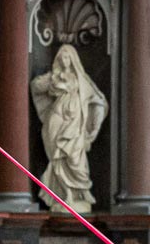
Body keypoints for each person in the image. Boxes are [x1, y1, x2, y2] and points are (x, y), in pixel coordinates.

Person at [30, 43, 108, 210]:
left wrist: (94, 127)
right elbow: (35, 86)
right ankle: (65, 195)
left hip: (75, 125)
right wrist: (52, 80)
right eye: (62, 57)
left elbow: (98, 101)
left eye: (67, 57)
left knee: (75, 160)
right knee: (57, 160)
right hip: (55, 121)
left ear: (73, 59)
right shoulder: (55, 77)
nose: (64, 60)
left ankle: (77, 194)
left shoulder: (82, 79)